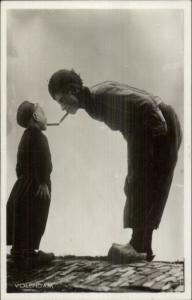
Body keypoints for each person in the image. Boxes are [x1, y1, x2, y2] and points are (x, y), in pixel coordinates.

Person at [48, 69, 182, 262]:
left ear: (73, 90)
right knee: (136, 184)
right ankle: (143, 247)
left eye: (61, 100)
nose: (62, 108)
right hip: (144, 133)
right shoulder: (93, 103)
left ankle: (138, 246)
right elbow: (128, 123)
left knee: (145, 185)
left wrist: (159, 134)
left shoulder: (100, 96)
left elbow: (145, 103)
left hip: (158, 125)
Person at [7, 101, 54, 264]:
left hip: (22, 185)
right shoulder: (40, 137)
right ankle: (28, 253)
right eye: (43, 113)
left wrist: (22, 182)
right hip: (36, 186)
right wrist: (42, 182)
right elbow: (44, 161)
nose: (46, 117)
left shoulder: (25, 137)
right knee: (35, 216)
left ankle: (19, 250)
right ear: (35, 116)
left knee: (22, 217)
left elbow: (19, 166)